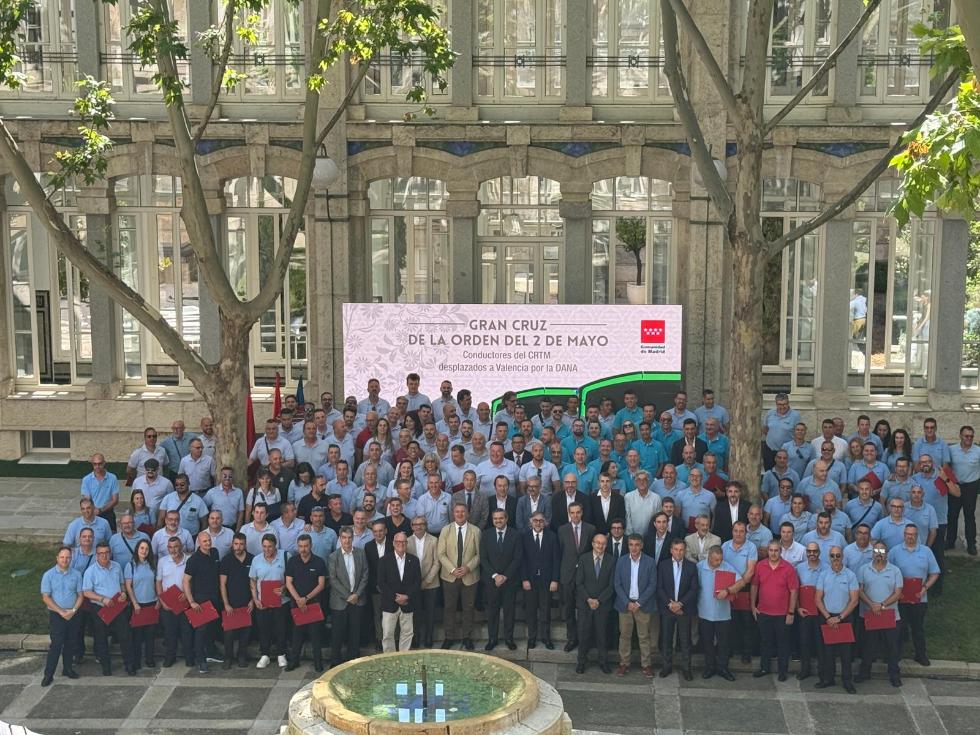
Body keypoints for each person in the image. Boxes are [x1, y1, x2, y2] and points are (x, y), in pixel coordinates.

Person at [887, 524, 939, 667]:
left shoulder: (926, 551)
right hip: (900, 598)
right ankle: (896, 655)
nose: (910, 537)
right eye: (908, 534)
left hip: (919, 598)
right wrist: (895, 591)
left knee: (918, 628)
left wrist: (925, 588)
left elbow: (935, 573)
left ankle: (920, 655)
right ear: (904, 535)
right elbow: (888, 571)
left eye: (913, 534)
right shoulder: (895, 551)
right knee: (898, 627)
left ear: (917, 536)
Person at [82, 541, 133, 676]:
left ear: (110, 553)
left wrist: (123, 593)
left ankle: (129, 664)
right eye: (101, 553)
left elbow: (122, 584)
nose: (104, 556)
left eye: (106, 553)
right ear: (96, 555)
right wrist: (102, 599)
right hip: (100, 607)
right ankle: (106, 666)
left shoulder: (116, 566)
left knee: (125, 635)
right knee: (101, 637)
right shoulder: (90, 571)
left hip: (117, 606)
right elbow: (86, 592)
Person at [857, 541, 903, 687]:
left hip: (889, 615)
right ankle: (864, 673)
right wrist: (872, 605)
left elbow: (898, 593)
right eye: (876, 551)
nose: (879, 554)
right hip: (869, 614)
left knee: (892, 647)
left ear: (886, 554)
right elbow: (860, 590)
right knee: (868, 646)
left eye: (882, 551)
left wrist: (882, 605)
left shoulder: (895, 571)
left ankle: (894, 675)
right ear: (872, 553)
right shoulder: (863, 569)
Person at [751, 541, 799, 681]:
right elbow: (754, 586)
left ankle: (782, 672)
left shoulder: (788, 568)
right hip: (763, 612)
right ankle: (764, 668)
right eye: (771, 550)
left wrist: (791, 612)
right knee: (765, 642)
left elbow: (794, 591)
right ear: (768, 551)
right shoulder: (760, 566)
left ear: (780, 551)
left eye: (776, 550)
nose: (773, 553)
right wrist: (753, 605)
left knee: (783, 644)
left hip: (782, 614)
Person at [814, 545, 859, 693]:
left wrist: (840, 617)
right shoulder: (823, 575)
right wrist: (828, 617)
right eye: (832, 556)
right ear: (829, 557)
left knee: (846, 653)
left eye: (838, 555)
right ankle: (828, 679)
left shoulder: (850, 575)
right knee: (827, 652)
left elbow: (854, 600)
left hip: (844, 617)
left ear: (842, 557)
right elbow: (818, 598)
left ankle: (847, 681)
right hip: (827, 617)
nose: (835, 559)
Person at [437, 503, 481, 650]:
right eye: (457, 512)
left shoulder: (475, 531)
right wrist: (452, 569)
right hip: (450, 576)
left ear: (467, 514)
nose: (460, 514)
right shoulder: (446, 530)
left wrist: (468, 568)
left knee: (469, 607)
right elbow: (441, 554)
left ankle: (467, 637)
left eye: (463, 511)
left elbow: (479, 554)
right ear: (453, 514)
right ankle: (449, 637)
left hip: (470, 576)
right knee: (449, 607)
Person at [614, 534, 657, 678]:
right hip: (625, 604)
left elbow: (652, 585)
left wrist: (638, 603)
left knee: (644, 636)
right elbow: (617, 584)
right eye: (631, 544)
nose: (634, 548)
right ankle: (624, 664)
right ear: (628, 546)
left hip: (642, 605)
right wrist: (627, 602)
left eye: (637, 545)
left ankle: (646, 665)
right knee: (624, 635)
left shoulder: (650, 562)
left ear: (641, 546)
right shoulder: (621, 561)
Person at [40, 546, 83, 686]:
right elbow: (46, 597)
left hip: (73, 614)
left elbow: (80, 595)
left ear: (71, 558)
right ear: (57, 558)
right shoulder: (48, 575)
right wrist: (60, 611)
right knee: (56, 645)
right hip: (57, 615)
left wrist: (74, 610)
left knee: (71, 643)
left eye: (68, 557)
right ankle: (48, 675)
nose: (65, 560)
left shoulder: (77, 574)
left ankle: (68, 669)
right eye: (62, 557)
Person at [656, 538, 698, 680]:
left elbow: (694, 589)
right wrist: (670, 604)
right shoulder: (663, 565)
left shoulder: (691, 567)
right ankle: (666, 667)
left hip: (684, 610)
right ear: (671, 550)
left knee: (685, 641)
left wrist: (680, 604)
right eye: (676, 549)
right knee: (666, 640)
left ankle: (686, 669)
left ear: (684, 551)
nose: (678, 552)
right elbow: (659, 587)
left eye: (681, 550)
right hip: (667, 609)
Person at [481, 509, 523, 651]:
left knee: (509, 611)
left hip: (509, 580)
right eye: (495, 518)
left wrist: (505, 576)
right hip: (491, 581)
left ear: (506, 519)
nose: (498, 521)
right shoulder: (486, 535)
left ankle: (509, 638)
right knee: (492, 611)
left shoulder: (515, 535)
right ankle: (492, 638)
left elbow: (517, 558)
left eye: (501, 518)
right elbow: (483, 558)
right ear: (492, 520)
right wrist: (495, 575)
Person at [284, 534, 328, 670]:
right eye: (300, 546)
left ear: (311, 546)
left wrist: (306, 599)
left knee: (315, 635)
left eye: (306, 546)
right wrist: (298, 599)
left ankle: (318, 662)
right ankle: (294, 661)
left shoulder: (319, 562)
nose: (303, 549)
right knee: (296, 634)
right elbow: (288, 583)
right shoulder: (292, 561)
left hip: (314, 603)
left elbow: (321, 584)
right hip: (297, 604)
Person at [697, 545, 740, 681]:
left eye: (720, 559)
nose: (719, 562)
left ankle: (723, 668)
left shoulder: (726, 567)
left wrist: (728, 590)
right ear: (709, 557)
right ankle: (709, 667)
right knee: (707, 642)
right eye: (716, 560)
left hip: (723, 613)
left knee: (723, 643)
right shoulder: (699, 567)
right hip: (704, 612)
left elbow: (741, 582)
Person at [574, 533, 614, 674]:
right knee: (583, 634)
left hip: (603, 605)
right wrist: (589, 599)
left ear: (606, 545)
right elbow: (579, 583)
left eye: (603, 543)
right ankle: (581, 662)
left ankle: (603, 662)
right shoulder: (583, 559)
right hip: (585, 604)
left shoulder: (611, 560)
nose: (600, 546)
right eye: (597, 542)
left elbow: (611, 585)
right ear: (592, 544)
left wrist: (599, 600)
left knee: (602, 635)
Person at [183, 530, 222, 673]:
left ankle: (211, 652)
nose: (208, 543)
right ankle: (201, 660)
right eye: (205, 541)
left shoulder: (215, 553)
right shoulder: (193, 560)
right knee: (201, 631)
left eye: (209, 540)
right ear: (199, 542)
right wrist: (192, 602)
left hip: (215, 598)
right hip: (200, 600)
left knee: (212, 628)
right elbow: (186, 581)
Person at [327, 527, 368, 664]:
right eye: (344, 538)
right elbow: (333, 579)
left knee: (355, 632)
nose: (347, 540)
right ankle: (335, 661)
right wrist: (347, 596)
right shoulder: (333, 556)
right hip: (340, 601)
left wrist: (357, 594)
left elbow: (365, 574)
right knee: (337, 633)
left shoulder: (361, 553)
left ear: (353, 538)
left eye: (349, 537)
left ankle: (353, 660)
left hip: (357, 600)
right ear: (340, 539)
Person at [558, 503, 595, 653]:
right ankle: (572, 638)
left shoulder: (590, 529)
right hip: (567, 576)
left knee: (584, 610)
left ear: (582, 513)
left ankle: (585, 639)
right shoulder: (562, 530)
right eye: (572, 513)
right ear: (569, 514)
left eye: (578, 512)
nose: (575, 515)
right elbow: (561, 552)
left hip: (585, 577)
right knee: (568, 609)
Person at [377, 531, 421, 653]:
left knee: (407, 633)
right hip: (389, 603)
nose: (401, 544)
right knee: (387, 634)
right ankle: (389, 658)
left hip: (408, 603)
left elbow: (417, 582)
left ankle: (403, 657)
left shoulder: (414, 560)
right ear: (393, 543)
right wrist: (395, 597)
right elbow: (381, 583)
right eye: (398, 541)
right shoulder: (384, 560)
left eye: (403, 542)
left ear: (407, 543)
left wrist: (406, 596)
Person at [249, 533, 288, 669]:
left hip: (281, 600)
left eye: (270, 547)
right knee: (264, 628)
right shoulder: (256, 560)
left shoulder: (285, 556)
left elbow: (291, 578)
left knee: (281, 628)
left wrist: (284, 588)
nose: (267, 550)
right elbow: (253, 581)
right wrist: (255, 599)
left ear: (275, 545)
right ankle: (265, 654)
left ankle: (281, 654)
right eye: (264, 546)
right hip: (262, 601)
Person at [522, 512, 560, 650]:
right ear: (531, 522)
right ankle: (532, 638)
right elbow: (522, 560)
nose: (538, 523)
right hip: (530, 581)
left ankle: (546, 637)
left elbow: (556, 560)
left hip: (547, 580)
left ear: (545, 522)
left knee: (545, 611)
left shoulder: (552, 537)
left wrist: (555, 580)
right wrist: (524, 579)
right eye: (535, 520)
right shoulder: (525, 537)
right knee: (531, 611)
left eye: (541, 521)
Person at [156, 536, 192, 667]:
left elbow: (194, 580)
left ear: (181, 546)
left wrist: (187, 594)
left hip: (185, 601)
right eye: (170, 547)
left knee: (186, 632)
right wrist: (162, 601)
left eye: (176, 546)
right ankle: (170, 657)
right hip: (168, 603)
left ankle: (189, 657)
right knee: (169, 633)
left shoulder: (189, 560)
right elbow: (158, 582)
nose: (173, 550)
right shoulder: (162, 561)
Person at [219, 532, 254, 668]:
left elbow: (255, 582)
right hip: (231, 603)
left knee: (245, 632)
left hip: (247, 602)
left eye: (241, 544)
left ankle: (242, 656)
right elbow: (222, 584)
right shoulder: (226, 560)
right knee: (229, 633)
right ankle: (228, 658)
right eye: (236, 544)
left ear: (245, 545)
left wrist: (252, 600)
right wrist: (226, 603)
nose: (238, 547)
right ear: (232, 544)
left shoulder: (252, 559)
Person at [794, 543, 827, 681]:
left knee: (821, 643)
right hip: (805, 612)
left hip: (822, 612)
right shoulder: (799, 568)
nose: (812, 554)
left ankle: (823, 672)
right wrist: (797, 607)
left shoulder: (827, 568)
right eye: (809, 551)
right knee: (804, 642)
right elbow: (795, 590)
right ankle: (805, 670)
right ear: (806, 552)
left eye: (815, 551)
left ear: (819, 552)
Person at [123, 539, 157, 671]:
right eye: (142, 548)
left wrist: (158, 600)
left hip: (151, 603)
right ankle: (136, 661)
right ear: (137, 549)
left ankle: (150, 659)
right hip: (138, 605)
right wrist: (135, 603)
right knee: (137, 637)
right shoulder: (130, 565)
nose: (144, 551)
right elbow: (128, 586)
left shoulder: (152, 564)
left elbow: (156, 582)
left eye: (147, 549)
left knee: (150, 635)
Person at [407, 516, 440, 648]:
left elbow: (437, 562)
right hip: (413, 584)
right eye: (415, 524)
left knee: (430, 613)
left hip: (431, 583)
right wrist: (415, 582)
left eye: (421, 524)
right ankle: (416, 638)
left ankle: (428, 638)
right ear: (412, 527)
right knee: (415, 613)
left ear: (426, 526)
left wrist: (427, 580)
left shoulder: (434, 540)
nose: (418, 527)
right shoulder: (407, 541)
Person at [948, 424, 980, 555]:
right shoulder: (951, 450)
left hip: (971, 487)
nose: (969, 438)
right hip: (955, 486)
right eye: (966, 436)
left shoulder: (978, 451)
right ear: (960, 436)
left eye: (971, 436)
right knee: (952, 515)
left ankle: (971, 544)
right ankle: (950, 541)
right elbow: (947, 467)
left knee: (969, 516)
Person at [364, 519, 390, 650]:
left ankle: (391, 638)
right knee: (377, 614)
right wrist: (377, 584)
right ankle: (379, 639)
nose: (378, 534)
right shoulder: (368, 546)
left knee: (391, 614)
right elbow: (368, 568)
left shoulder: (392, 544)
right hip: (375, 587)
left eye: (380, 531)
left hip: (391, 587)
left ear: (385, 531)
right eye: (375, 531)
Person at [81, 454, 120, 533]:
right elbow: (87, 499)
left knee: (112, 537)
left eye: (100, 464)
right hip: (93, 513)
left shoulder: (112, 478)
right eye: (95, 464)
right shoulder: (86, 480)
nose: (97, 466)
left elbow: (115, 500)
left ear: (104, 463)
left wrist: (101, 510)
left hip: (108, 513)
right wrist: (94, 510)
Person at [763, 393, 801, 470]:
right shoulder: (770, 413)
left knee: (785, 474)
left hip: (786, 452)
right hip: (770, 450)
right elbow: (765, 429)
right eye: (779, 404)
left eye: (784, 404)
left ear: (788, 403)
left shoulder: (795, 416)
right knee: (769, 473)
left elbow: (798, 433)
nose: (782, 407)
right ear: (776, 404)